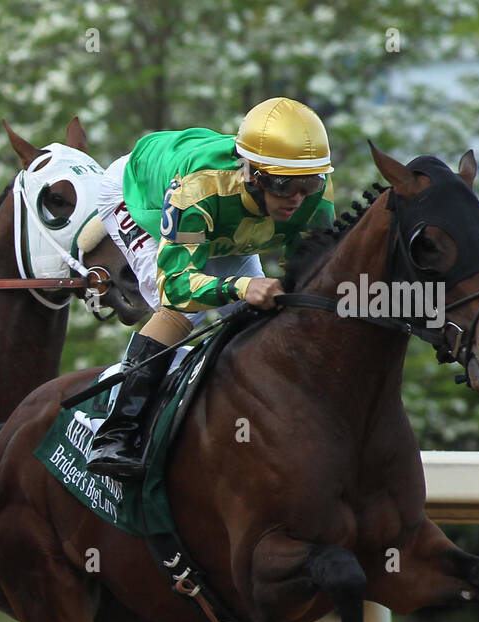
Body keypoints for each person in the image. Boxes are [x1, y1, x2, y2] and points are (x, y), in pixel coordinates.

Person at [86, 97, 337, 478]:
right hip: (139, 195)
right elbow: (177, 286)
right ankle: (116, 432)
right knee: (183, 311)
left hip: (223, 224)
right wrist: (239, 287)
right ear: (254, 174)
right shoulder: (200, 188)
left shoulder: (314, 196)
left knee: (259, 317)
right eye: (286, 185)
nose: (298, 199)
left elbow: (309, 277)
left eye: (310, 183)